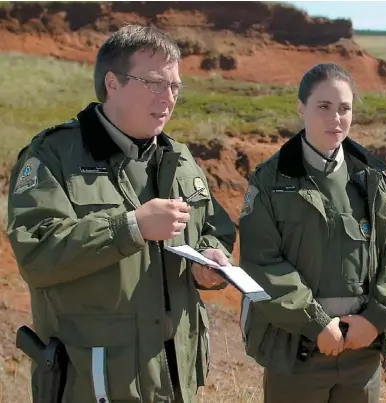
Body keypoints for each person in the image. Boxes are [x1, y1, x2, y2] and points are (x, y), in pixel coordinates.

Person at [5, 25, 237, 403]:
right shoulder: (51, 157)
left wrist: (209, 262)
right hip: (95, 382)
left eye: (175, 86)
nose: (168, 98)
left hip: (175, 379)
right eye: (154, 83)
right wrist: (132, 227)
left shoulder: (179, 159)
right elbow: (37, 252)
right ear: (112, 84)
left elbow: (214, 229)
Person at [237, 62, 386, 403]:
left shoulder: (371, 179)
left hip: (361, 353)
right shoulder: (270, 182)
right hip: (296, 352)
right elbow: (260, 261)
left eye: (344, 108)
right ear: (301, 107)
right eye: (323, 106)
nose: (335, 118)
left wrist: (376, 318)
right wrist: (317, 323)